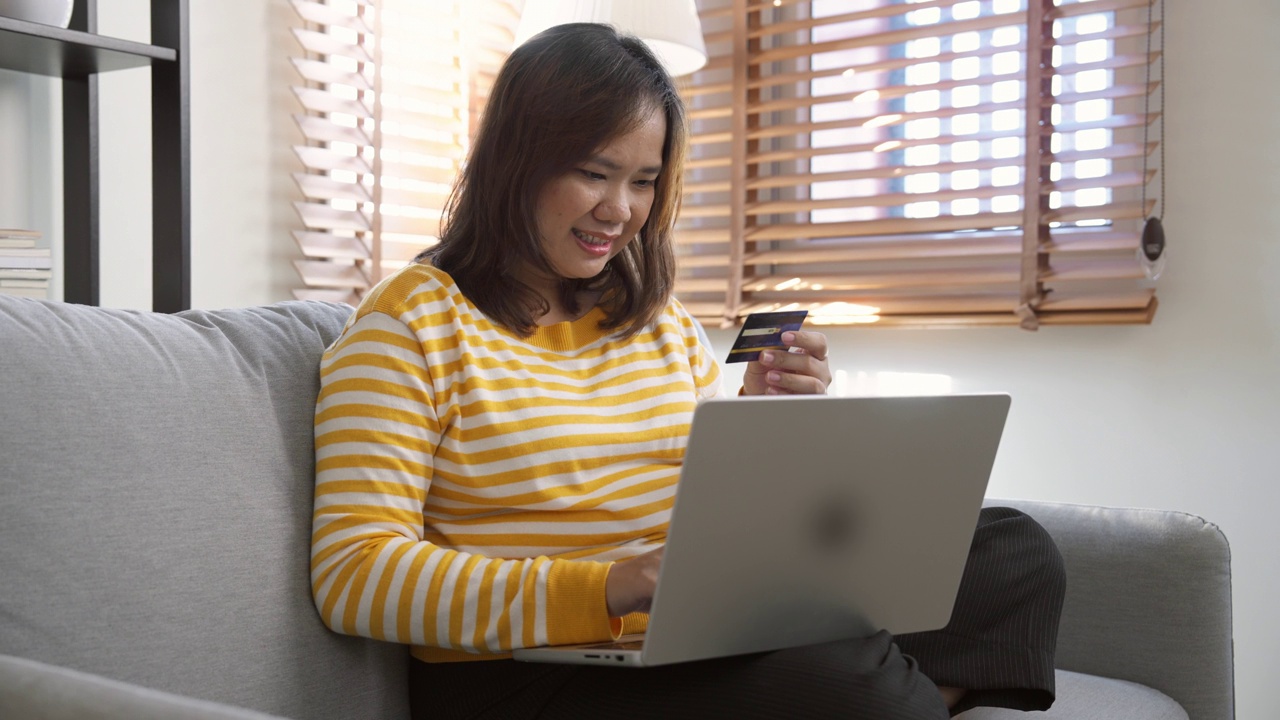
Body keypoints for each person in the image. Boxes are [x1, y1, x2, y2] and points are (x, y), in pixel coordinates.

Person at [310, 22, 1065, 720]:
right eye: (593, 172)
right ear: (517, 159)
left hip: (690, 625)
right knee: (848, 681)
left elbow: (712, 492)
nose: (620, 210)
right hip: (532, 672)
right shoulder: (407, 326)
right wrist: (611, 583)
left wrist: (764, 413)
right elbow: (355, 573)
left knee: (1014, 551)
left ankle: (887, 694)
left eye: (643, 181)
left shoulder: (651, 317)